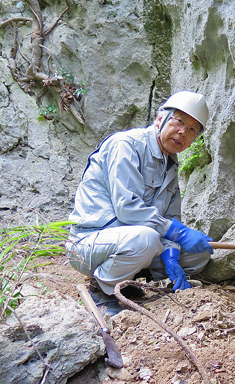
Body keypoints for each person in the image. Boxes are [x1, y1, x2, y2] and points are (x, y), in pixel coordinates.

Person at [66, 91, 214, 315]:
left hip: (132, 243)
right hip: (89, 243)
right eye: (179, 121)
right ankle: (103, 289)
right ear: (159, 120)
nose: (183, 132)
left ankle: (131, 277)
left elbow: (171, 220)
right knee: (147, 239)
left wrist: (172, 255)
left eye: (193, 129)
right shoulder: (126, 145)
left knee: (199, 254)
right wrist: (179, 233)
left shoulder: (170, 165)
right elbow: (127, 209)